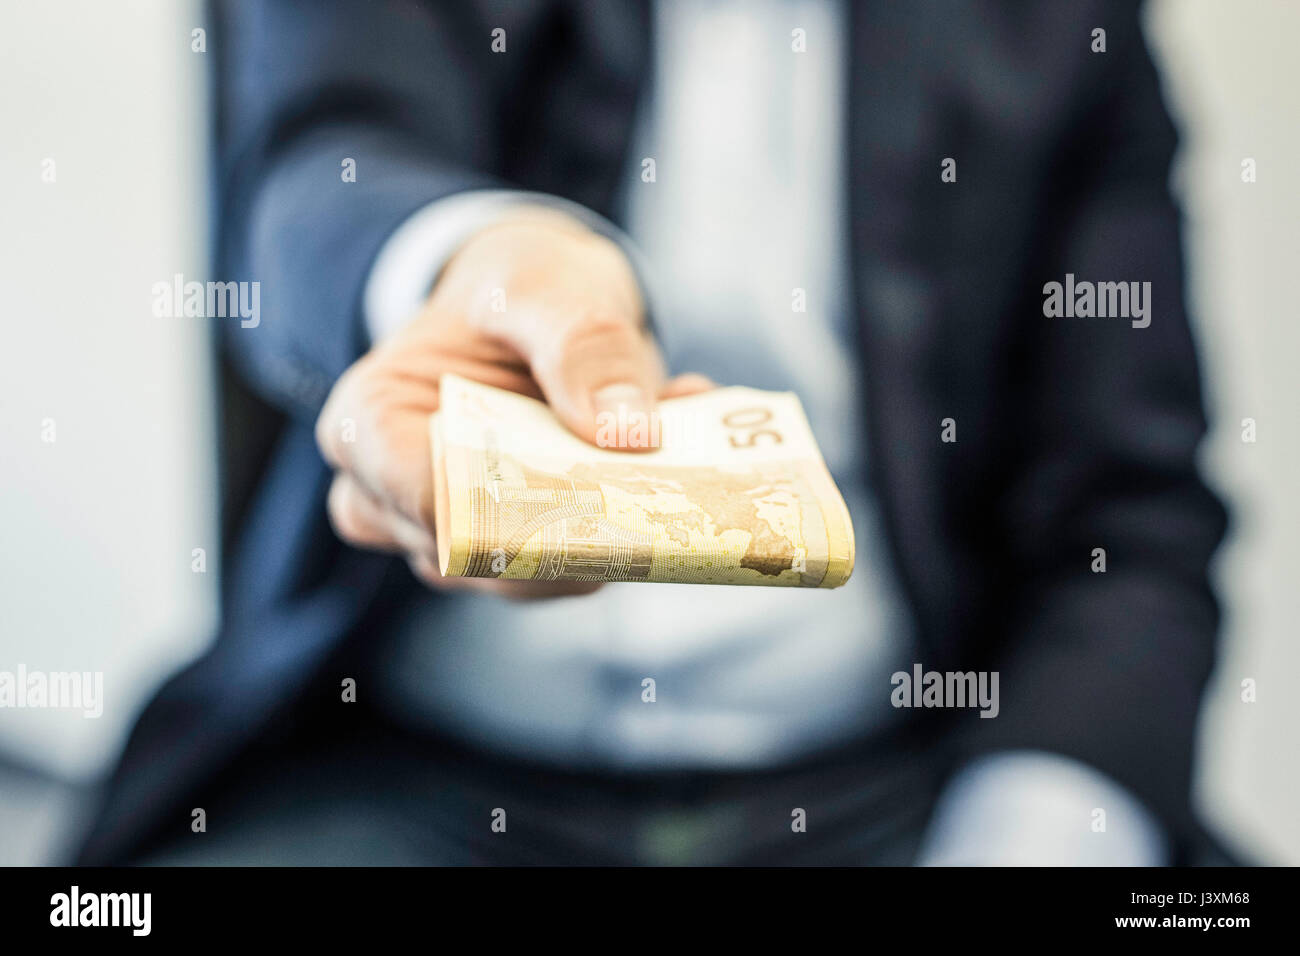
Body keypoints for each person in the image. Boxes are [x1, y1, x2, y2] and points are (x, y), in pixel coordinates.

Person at [75, 0, 1230, 865]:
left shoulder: (1069, 28)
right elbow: (309, 166)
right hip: (395, 766)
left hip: (892, 779)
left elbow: (1131, 516)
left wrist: (1028, 834)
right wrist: (455, 263)